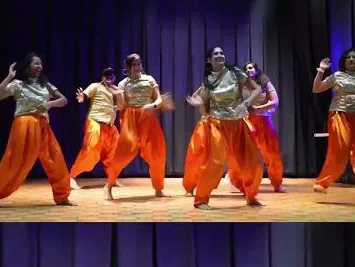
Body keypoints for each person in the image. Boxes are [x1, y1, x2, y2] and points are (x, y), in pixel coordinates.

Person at [0, 53, 73, 208]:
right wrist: (9, 77)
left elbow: (64, 100)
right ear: (27, 66)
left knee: (55, 158)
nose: (40, 66)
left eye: (40, 64)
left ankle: (62, 196)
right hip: (24, 124)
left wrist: (49, 104)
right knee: (15, 160)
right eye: (36, 63)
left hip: (43, 124)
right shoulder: (18, 84)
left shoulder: (45, 84)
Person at [185, 47, 264, 209]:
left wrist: (247, 103)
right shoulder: (208, 81)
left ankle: (251, 196)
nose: (220, 55)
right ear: (209, 60)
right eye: (216, 54)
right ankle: (201, 200)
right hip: (217, 124)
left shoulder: (235, 73)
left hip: (238, 123)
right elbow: (204, 108)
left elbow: (257, 89)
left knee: (252, 162)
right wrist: (199, 103)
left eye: (221, 53)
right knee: (215, 161)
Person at [103, 53, 169, 200]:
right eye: (134, 64)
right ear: (128, 67)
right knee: (123, 154)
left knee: (158, 153)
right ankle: (109, 185)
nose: (138, 67)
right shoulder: (123, 84)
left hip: (148, 118)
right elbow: (121, 106)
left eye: (139, 64)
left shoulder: (149, 79)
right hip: (131, 119)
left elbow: (159, 99)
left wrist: (153, 105)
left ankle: (158, 189)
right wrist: (117, 94)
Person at [68, 67, 124, 189]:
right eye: (106, 76)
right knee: (91, 148)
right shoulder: (95, 86)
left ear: (114, 78)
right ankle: (71, 177)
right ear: (102, 77)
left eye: (111, 76)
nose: (108, 78)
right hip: (95, 122)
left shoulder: (115, 91)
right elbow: (84, 95)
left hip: (109, 126)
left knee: (113, 153)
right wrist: (82, 97)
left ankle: (112, 178)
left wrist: (119, 93)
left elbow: (120, 106)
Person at [311, 48, 355, 192]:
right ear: (344, 61)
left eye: (354, 57)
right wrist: (321, 70)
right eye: (348, 57)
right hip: (340, 115)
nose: (351, 59)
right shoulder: (338, 76)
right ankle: (323, 182)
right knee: (340, 149)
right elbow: (316, 88)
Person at [233, 61, 284, 192]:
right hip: (247, 121)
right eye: (246, 69)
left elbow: (275, 101)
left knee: (271, 152)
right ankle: (242, 182)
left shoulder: (265, 82)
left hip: (263, 120)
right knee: (244, 152)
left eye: (251, 68)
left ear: (256, 70)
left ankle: (276, 182)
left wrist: (259, 108)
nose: (248, 70)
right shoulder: (242, 85)